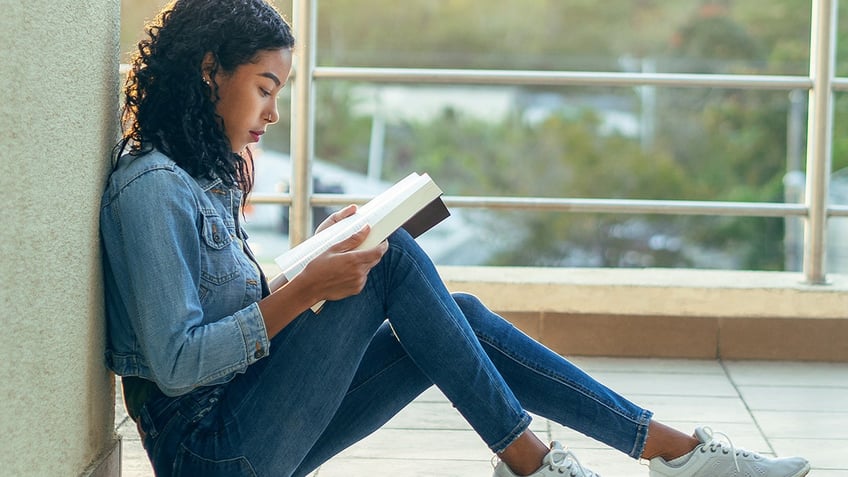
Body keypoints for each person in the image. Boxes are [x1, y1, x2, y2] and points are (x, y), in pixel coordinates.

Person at [99, 1, 811, 476]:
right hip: (213, 452)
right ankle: (541, 461)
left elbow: (236, 311)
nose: (274, 112)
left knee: (456, 314)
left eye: (279, 91)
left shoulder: (203, 175)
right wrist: (312, 289)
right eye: (264, 87)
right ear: (208, 70)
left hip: (250, 417)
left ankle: (671, 449)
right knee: (395, 259)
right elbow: (181, 361)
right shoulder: (151, 188)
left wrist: (310, 260)